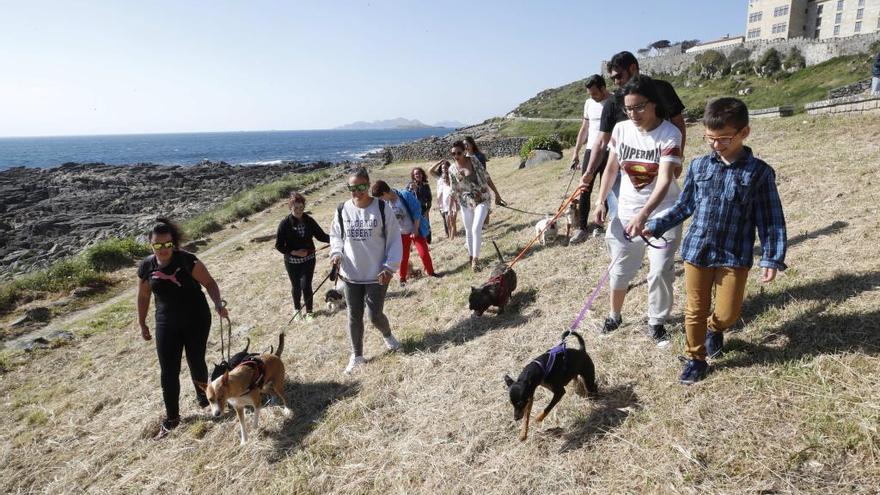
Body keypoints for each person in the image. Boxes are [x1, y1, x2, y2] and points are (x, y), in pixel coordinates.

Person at [643, 97, 787, 385]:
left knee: (728, 313)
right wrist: (656, 225)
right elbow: (685, 207)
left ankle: (715, 328)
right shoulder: (698, 167)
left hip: (734, 254)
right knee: (694, 308)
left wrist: (772, 256)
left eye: (724, 139)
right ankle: (695, 359)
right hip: (698, 250)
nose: (716, 145)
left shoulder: (759, 173)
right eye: (710, 139)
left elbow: (770, 218)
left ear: (744, 133)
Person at [593, 76, 684, 347]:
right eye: (628, 109)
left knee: (659, 271)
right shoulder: (621, 130)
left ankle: (656, 322)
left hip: (662, 213)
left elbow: (666, 179)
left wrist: (644, 215)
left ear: (654, 104)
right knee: (620, 270)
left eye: (639, 107)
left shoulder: (670, 134)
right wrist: (600, 202)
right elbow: (611, 168)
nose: (633, 114)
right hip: (625, 213)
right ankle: (614, 315)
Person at [137, 218, 229, 439]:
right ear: (151, 245)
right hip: (165, 323)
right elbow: (143, 295)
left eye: (168, 244)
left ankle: (204, 400)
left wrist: (218, 303)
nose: (163, 249)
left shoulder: (188, 260)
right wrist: (142, 323)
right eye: (158, 245)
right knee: (168, 371)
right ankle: (172, 418)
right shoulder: (146, 266)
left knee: (195, 360)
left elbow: (210, 283)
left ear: (174, 243)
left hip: (196, 319)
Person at [580, 51, 686, 225]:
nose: (616, 82)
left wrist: (678, 157)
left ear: (633, 68)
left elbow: (678, 124)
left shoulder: (662, 90)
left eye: (619, 76)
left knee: (657, 212)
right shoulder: (613, 102)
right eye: (612, 79)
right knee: (620, 216)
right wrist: (589, 172)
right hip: (623, 168)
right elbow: (601, 142)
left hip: (657, 163)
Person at [329, 168, 404, 374]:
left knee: (374, 315)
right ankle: (357, 355)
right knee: (354, 315)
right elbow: (336, 235)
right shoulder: (342, 209)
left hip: (377, 273)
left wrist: (390, 267)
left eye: (361, 187)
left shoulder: (381, 208)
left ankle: (388, 336)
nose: (357, 192)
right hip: (351, 273)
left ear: (368, 185)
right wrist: (336, 253)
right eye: (352, 188)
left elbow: (395, 240)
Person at [447, 140, 504, 271]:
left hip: (482, 198)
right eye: (453, 154)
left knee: (476, 228)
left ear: (464, 151)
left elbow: (486, 177)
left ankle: (475, 260)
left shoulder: (473, 160)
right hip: (465, 202)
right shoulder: (451, 169)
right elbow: (453, 189)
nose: (456, 156)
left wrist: (497, 194)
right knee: (468, 230)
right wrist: (451, 208)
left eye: (459, 153)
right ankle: (471, 255)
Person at [371, 179, 439, 287]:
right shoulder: (386, 203)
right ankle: (402, 279)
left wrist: (415, 229)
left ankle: (431, 273)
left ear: (384, 193)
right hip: (401, 234)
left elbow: (417, 211)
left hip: (415, 230)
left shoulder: (405, 195)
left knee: (423, 253)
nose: (381, 200)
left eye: (381, 197)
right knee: (403, 258)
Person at [274, 191, 330, 321]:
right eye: (296, 208)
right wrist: (294, 252)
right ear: (290, 207)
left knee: (306, 285)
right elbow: (279, 245)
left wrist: (335, 240)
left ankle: (309, 312)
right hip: (292, 261)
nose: (299, 211)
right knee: (296, 286)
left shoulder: (309, 220)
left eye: (301, 207)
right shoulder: (284, 224)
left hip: (309, 259)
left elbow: (321, 236)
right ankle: (297, 309)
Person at [569, 74, 612, 244]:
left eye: (594, 93)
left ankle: (599, 226)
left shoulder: (614, 102)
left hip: (609, 151)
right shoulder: (588, 103)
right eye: (589, 94)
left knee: (606, 189)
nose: (592, 97)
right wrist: (576, 152)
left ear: (603, 88)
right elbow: (584, 127)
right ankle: (581, 227)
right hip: (590, 150)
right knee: (584, 188)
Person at [406, 167, 433, 243]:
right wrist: (411, 189)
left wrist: (427, 210)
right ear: (413, 176)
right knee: (416, 226)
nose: (418, 175)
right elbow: (406, 196)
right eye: (416, 174)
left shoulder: (426, 185)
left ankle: (428, 242)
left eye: (419, 173)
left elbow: (429, 199)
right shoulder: (410, 185)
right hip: (414, 209)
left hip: (423, 209)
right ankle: (419, 242)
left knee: (426, 225)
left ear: (422, 174)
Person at [434, 160, 457, 239]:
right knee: (447, 221)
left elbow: (453, 190)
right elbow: (441, 192)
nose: (444, 169)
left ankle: (452, 237)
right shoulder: (441, 178)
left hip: (452, 201)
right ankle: (451, 235)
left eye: (446, 167)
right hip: (444, 203)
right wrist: (438, 201)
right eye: (443, 168)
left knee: (452, 220)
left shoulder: (452, 176)